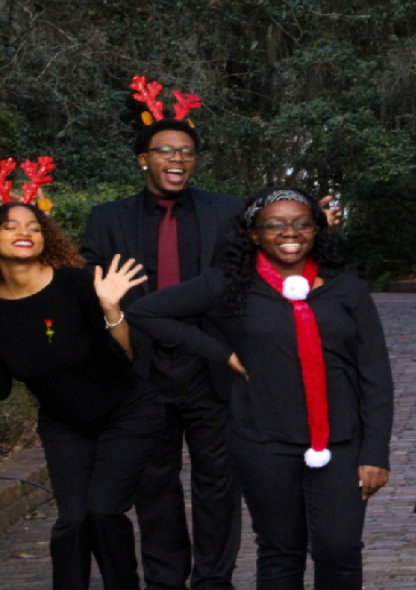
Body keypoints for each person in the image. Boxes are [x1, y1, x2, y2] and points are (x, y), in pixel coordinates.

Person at [80, 76, 340, 590]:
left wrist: (316, 228)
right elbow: (88, 282)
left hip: (216, 363)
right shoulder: (107, 219)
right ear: (144, 160)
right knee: (154, 483)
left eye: (188, 152)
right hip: (143, 365)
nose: (178, 158)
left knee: (219, 483)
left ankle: (214, 580)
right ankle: (165, 579)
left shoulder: (228, 211)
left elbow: (273, 246)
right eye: (166, 150)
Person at [128, 187, 392, 590]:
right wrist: (220, 353)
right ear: (253, 234)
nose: (290, 232)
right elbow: (145, 312)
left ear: (316, 230)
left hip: (340, 442)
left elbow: (375, 373)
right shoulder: (228, 284)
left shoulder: (348, 289)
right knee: (280, 553)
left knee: (338, 549)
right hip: (262, 441)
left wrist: (375, 452)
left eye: (302, 223)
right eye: (275, 224)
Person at [0, 157, 163, 590]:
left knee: (103, 511)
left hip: (127, 413)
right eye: (11, 226)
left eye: (34, 227)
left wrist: (110, 308)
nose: (25, 233)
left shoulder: (78, 284)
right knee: (72, 520)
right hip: (64, 424)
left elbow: (124, 355)